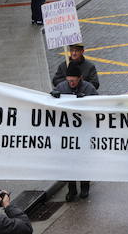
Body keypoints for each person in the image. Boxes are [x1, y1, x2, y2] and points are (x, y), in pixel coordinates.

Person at [51, 62, 97, 202]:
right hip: (67, 133)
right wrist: (52, 97)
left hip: (84, 132)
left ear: (80, 78)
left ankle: (84, 186)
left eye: (73, 80)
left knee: (83, 160)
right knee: (68, 162)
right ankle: (71, 189)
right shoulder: (61, 87)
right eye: (68, 80)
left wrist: (87, 101)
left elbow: (98, 104)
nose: (70, 83)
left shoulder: (89, 88)